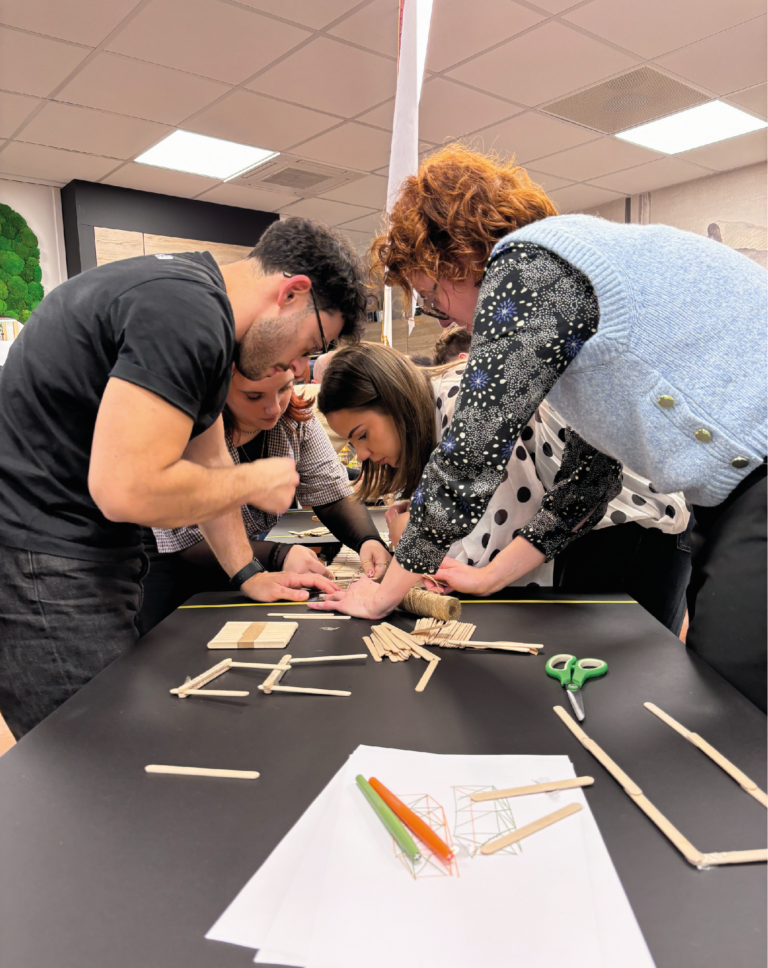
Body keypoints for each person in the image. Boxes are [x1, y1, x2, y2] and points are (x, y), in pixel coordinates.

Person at [311, 144, 768, 716]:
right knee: (720, 689)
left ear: (459, 252)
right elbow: (589, 482)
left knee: (735, 699)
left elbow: (469, 458)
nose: (438, 314)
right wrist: (488, 577)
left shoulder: (528, 266)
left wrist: (383, 596)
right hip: (726, 494)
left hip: (753, 477)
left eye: (430, 294)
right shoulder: (565, 314)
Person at [0, 217, 367, 738]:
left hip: (73, 554)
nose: (296, 367)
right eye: (310, 345)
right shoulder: (187, 312)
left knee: (108, 741)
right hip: (44, 559)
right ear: (293, 293)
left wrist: (247, 573)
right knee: (92, 752)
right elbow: (125, 489)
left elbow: (210, 462)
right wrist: (255, 482)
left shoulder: (194, 305)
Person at [318, 344, 689, 631]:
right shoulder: (440, 406)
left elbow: (489, 546)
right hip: (590, 528)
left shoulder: (460, 400)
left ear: (393, 400)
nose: (363, 454)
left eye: (362, 435)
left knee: (625, 686)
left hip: (637, 528)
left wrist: (397, 564)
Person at [141, 365, 390, 632]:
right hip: (170, 564)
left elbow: (331, 492)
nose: (274, 407)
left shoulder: (295, 419)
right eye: (254, 396)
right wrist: (279, 555)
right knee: (172, 644)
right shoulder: (194, 425)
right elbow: (187, 538)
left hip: (243, 563)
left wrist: (367, 540)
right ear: (220, 388)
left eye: (284, 388)